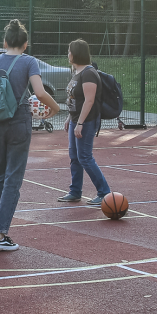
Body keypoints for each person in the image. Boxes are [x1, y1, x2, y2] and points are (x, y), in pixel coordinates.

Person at [0, 19, 58, 252]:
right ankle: (2, 235)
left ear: (5, 42)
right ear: (25, 45)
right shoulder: (29, 62)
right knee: (13, 178)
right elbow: (40, 92)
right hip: (19, 121)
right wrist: (56, 108)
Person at [56, 39, 112, 206]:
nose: (68, 54)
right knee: (74, 157)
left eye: (69, 51)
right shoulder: (77, 72)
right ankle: (75, 191)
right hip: (76, 119)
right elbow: (74, 99)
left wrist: (80, 122)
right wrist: (69, 118)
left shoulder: (89, 73)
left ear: (76, 53)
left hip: (86, 121)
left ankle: (104, 193)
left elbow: (89, 101)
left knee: (85, 157)